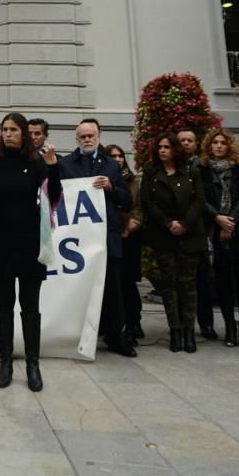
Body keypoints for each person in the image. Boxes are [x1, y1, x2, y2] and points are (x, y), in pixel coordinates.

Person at [0, 113, 60, 392]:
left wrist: (53, 167)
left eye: (13, 129)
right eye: (4, 129)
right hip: (1, 246)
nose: (7, 134)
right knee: (4, 305)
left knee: (30, 308)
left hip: (30, 245)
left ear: (24, 134)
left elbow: (53, 196)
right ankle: (5, 362)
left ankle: (33, 364)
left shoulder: (37, 162)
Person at [60, 119, 135, 357]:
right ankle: (73, 336)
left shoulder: (112, 166)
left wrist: (112, 188)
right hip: (74, 242)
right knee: (75, 289)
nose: (87, 140)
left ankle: (115, 338)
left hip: (106, 238)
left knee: (112, 290)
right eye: (82, 136)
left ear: (99, 135)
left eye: (91, 135)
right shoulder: (64, 164)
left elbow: (127, 200)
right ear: (77, 140)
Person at [141, 132, 207, 353]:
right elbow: (148, 203)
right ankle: (175, 331)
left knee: (188, 285)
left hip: (190, 236)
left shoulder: (191, 172)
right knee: (169, 286)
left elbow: (199, 200)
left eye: (167, 147)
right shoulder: (152, 173)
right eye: (160, 147)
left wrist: (185, 224)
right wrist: (169, 223)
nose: (162, 150)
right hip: (164, 235)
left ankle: (189, 331)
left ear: (175, 150)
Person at [200, 127, 239, 348]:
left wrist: (229, 221)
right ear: (209, 145)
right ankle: (229, 327)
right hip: (216, 231)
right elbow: (201, 199)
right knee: (223, 282)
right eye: (215, 142)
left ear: (229, 146)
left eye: (222, 142)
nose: (218, 145)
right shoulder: (202, 171)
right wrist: (218, 218)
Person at [178, 128, 217, 340]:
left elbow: (205, 199)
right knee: (181, 282)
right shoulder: (171, 167)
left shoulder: (203, 168)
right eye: (182, 140)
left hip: (199, 230)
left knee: (202, 280)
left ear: (196, 144)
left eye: (189, 140)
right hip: (177, 230)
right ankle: (183, 324)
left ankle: (206, 323)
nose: (185, 143)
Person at [104, 144, 144, 346]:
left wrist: (133, 223)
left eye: (120, 156)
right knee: (114, 284)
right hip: (112, 234)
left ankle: (134, 322)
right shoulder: (102, 176)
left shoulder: (132, 180)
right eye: (113, 156)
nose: (118, 159)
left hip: (129, 236)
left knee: (128, 283)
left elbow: (138, 205)